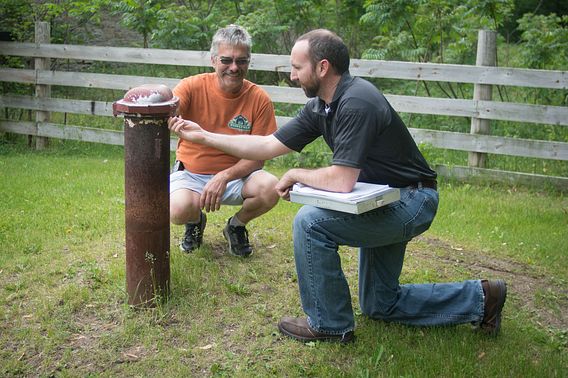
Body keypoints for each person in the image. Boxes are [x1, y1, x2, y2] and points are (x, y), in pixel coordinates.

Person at [168, 29, 507, 342]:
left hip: (411, 201)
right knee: (380, 304)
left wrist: (297, 174)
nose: (291, 75)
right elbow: (267, 145)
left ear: (322, 67)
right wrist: (204, 136)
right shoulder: (322, 106)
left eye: (297, 67)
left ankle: (329, 323)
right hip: (383, 198)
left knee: (310, 222)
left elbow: (343, 180)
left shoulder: (356, 102)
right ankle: (482, 297)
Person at [169, 25, 279, 257]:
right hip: (192, 172)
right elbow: (172, 108)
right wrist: (167, 111)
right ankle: (195, 222)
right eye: (226, 60)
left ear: (249, 62)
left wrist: (224, 176)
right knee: (177, 210)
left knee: (271, 188)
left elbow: (259, 157)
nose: (234, 67)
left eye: (241, 61)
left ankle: (236, 226)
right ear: (213, 60)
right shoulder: (191, 86)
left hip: (238, 176)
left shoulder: (259, 99)